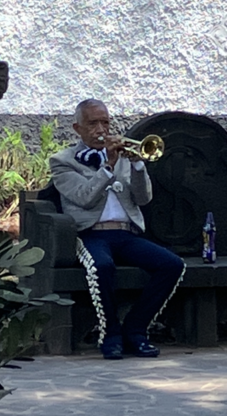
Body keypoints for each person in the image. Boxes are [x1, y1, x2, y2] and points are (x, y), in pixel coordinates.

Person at [49, 99, 185, 359]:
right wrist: (108, 167)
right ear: (78, 128)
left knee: (172, 265)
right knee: (101, 266)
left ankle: (135, 330)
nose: (101, 129)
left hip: (125, 232)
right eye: (93, 123)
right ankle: (109, 333)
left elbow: (143, 199)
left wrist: (136, 165)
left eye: (105, 122)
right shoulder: (63, 161)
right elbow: (83, 197)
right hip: (90, 233)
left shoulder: (124, 156)